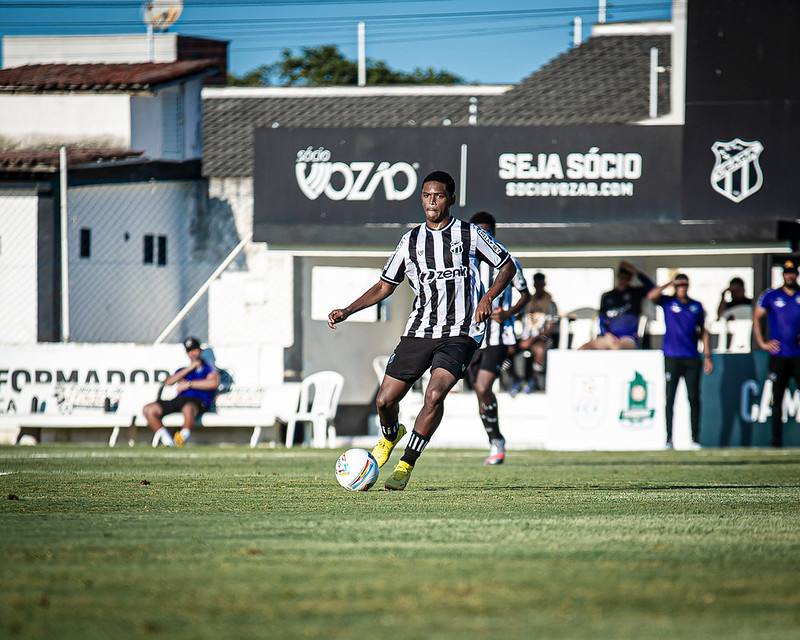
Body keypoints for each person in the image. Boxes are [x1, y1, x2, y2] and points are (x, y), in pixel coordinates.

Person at [328, 171, 516, 490]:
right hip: (420, 330)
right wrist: (347, 310)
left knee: (434, 393)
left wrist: (487, 297)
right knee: (385, 401)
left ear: (451, 199)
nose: (432, 201)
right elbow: (385, 286)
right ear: (421, 198)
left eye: (439, 196)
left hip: (461, 331)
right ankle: (390, 437)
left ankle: (405, 464)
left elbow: (507, 265)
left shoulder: (469, 234)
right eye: (427, 195)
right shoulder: (411, 240)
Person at [465, 211, 530, 465]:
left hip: (498, 338)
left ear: (493, 233)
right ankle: (494, 439)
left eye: (487, 232)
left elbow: (526, 295)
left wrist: (509, 313)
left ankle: (497, 440)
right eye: (478, 232)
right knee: (479, 393)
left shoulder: (508, 261)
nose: (483, 236)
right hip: (470, 337)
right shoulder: (464, 261)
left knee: (483, 387)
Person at [647, 274, 713, 449]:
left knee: (693, 398)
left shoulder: (695, 306)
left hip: (691, 357)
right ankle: (669, 439)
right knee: (670, 398)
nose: (682, 288)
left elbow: (703, 331)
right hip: (672, 357)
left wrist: (707, 356)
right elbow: (650, 296)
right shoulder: (668, 302)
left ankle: (695, 438)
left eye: (684, 284)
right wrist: (669, 283)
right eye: (679, 285)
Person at [752, 260, 800, 447]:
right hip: (779, 355)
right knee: (777, 397)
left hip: (798, 355)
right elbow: (757, 318)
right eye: (787, 272)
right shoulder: (771, 295)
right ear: (783, 275)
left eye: (793, 272)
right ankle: (776, 439)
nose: (790, 276)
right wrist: (763, 343)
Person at [143, 336, 221, 447]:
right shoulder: (184, 370)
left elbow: (213, 383)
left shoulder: (208, 368)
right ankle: (168, 441)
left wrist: (189, 384)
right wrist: (190, 368)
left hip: (198, 401)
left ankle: (182, 438)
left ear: (200, 350)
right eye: (189, 351)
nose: (193, 353)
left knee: (188, 408)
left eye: (194, 350)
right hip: (179, 400)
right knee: (148, 409)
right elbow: (169, 382)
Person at [579, 260, 654, 350]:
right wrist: (606, 334)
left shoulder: (635, 293)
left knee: (618, 348)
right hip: (609, 337)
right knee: (584, 348)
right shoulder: (607, 296)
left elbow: (652, 288)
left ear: (630, 278)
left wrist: (634, 271)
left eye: (626, 277)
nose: (623, 280)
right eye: (622, 277)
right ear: (617, 276)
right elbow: (602, 317)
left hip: (628, 337)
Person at [512, 272, 559, 394]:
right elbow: (515, 316)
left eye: (541, 284)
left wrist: (532, 339)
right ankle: (516, 379)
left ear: (544, 284)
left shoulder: (551, 304)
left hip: (541, 338)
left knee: (539, 349)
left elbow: (550, 329)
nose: (538, 286)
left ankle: (534, 380)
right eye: (536, 284)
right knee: (508, 348)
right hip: (525, 337)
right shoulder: (527, 302)